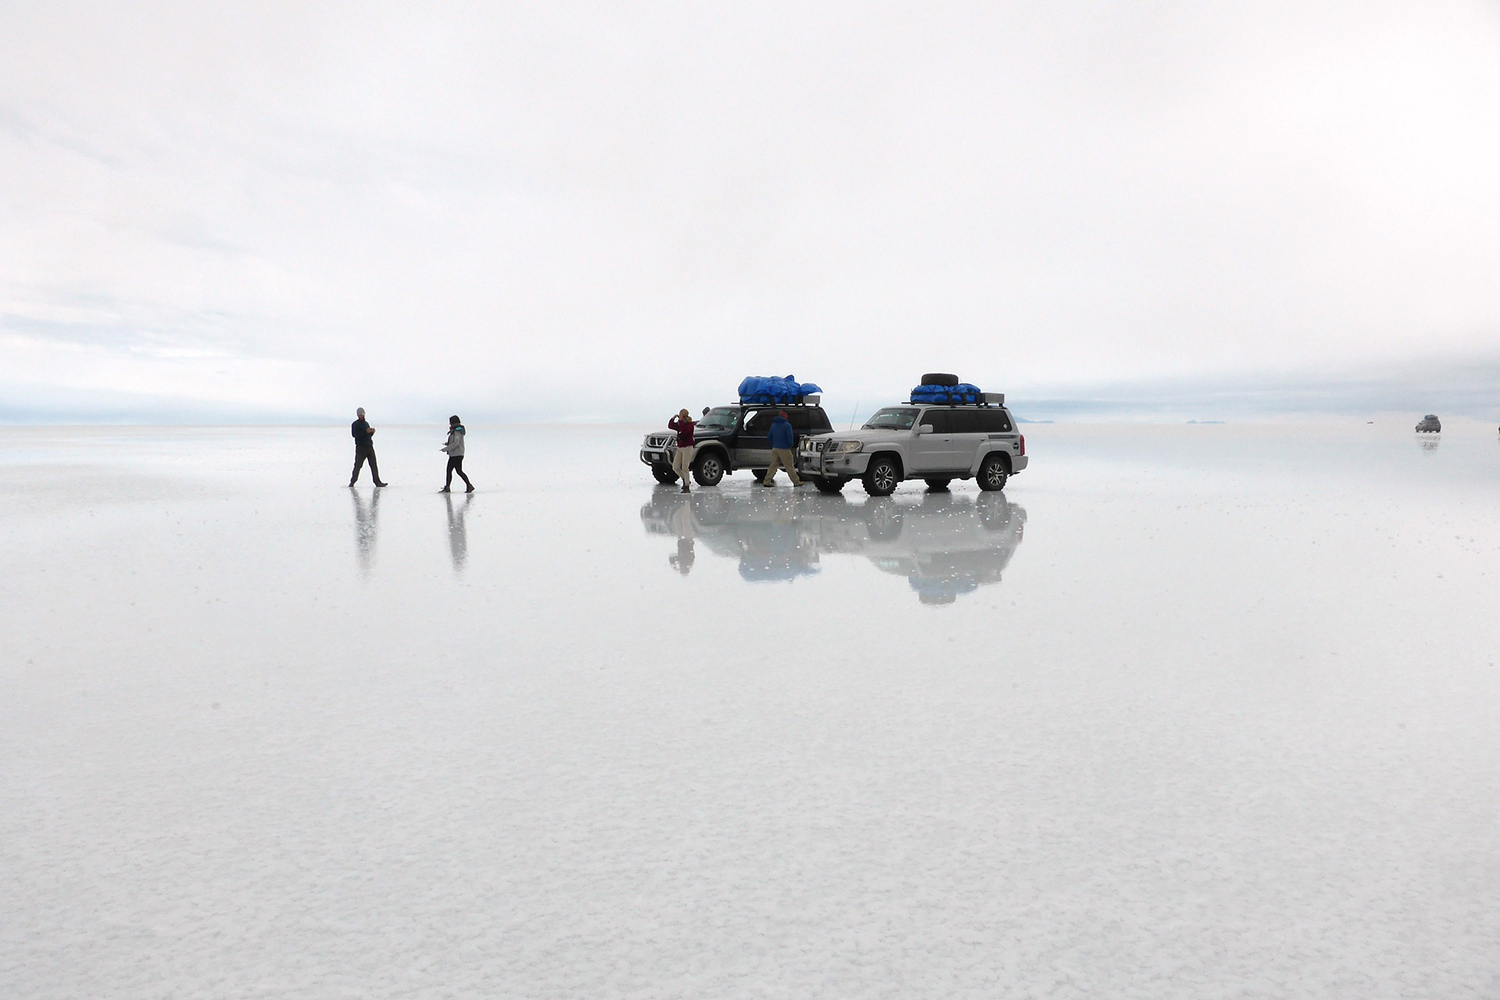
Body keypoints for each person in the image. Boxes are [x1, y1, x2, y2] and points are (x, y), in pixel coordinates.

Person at [760, 410, 803, 487]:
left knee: (773, 466)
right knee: (789, 466)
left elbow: (769, 437)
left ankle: (767, 481)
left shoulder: (773, 425)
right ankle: (796, 482)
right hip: (784, 449)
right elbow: (790, 437)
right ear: (785, 417)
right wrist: (790, 445)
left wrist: (773, 444)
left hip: (775, 448)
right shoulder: (787, 425)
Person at [349, 407, 387, 487]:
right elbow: (354, 435)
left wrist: (371, 432)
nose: (361, 416)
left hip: (369, 447)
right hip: (361, 448)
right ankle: (352, 482)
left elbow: (368, 436)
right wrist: (365, 432)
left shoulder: (366, 423)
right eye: (360, 415)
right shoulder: (355, 424)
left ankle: (377, 482)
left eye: (362, 414)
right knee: (358, 466)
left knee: (373, 465)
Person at [439, 415, 474, 493]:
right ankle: (468, 485)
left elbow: (456, 443)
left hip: (456, 454)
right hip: (456, 454)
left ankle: (449, 487)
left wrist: (446, 449)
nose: (449, 424)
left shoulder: (457, 431)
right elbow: (454, 442)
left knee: (452, 470)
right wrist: (448, 444)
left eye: (450, 422)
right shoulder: (455, 430)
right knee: (457, 471)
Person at [668, 409, 696, 493]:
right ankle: (685, 478)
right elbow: (671, 426)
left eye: (680, 415)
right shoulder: (680, 424)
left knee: (685, 467)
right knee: (675, 466)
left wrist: (681, 422)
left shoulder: (689, 425)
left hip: (687, 447)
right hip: (680, 447)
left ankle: (686, 485)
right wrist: (673, 419)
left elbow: (684, 431)